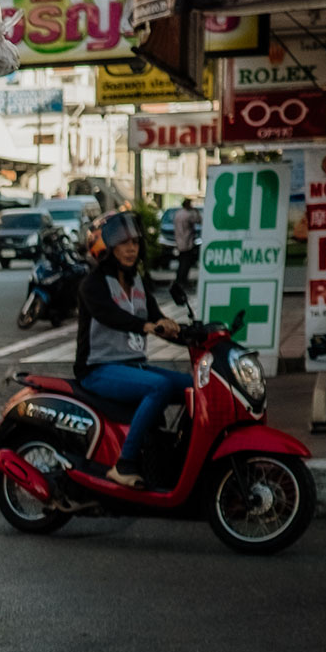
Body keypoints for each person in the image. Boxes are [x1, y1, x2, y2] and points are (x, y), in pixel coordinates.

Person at [77, 211, 188, 488]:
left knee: (195, 385)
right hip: (98, 368)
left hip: (133, 366)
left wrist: (190, 334)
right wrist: (147, 326)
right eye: (123, 243)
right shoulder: (93, 285)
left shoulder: (138, 281)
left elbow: (156, 318)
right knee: (158, 387)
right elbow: (110, 316)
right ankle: (124, 464)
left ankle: (173, 456)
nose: (130, 249)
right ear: (107, 248)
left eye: (135, 243)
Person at [171, 196, 201, 307]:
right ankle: (182, 281)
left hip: (179, 241)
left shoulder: (178, 214)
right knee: (185, 263)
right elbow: (199, 220)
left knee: (182, 262)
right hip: (187, 242)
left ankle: (180, 280)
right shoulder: (188, 215)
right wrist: (196, 211)